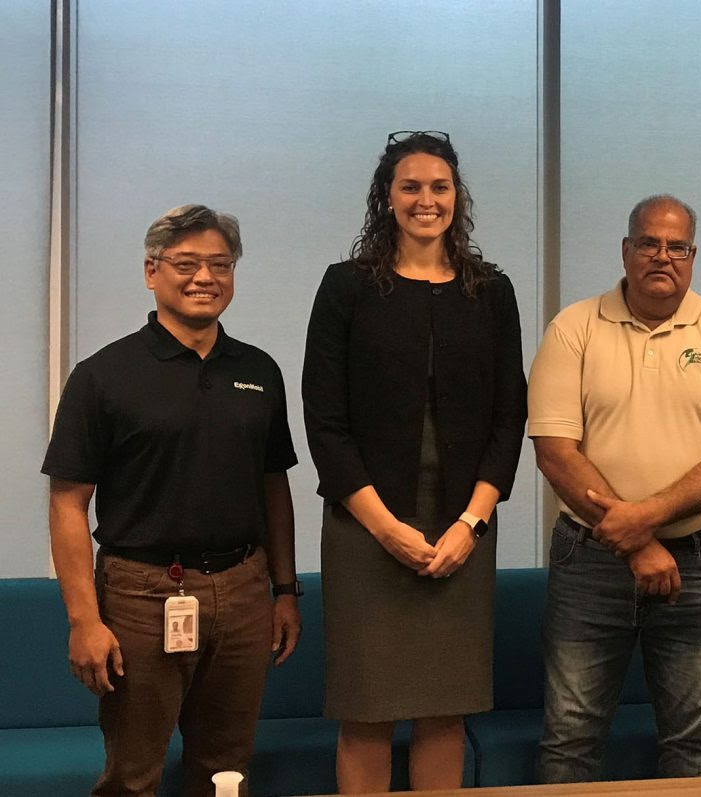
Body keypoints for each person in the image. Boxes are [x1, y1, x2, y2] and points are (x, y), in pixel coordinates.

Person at [42, 204, 302, 797]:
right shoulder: (103, 375)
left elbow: (274, 488)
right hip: (139, 594)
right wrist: (84, 619)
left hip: (242, 591)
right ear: (151, 271)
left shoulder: (259, 371)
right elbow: (67, 504)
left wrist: (283, 592)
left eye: (220, 264)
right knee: (133, 775)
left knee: (226, 772)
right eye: (186, 263)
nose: (204, 277)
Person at [302, 131, 527, 793]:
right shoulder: (346, 288)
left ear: (457, 196)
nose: (425, 199)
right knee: (366, 712)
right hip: (365, 528)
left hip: (461, 528)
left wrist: (472, 525)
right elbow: (325, 421)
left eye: (439, 186)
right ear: (387, 197)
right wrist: (384, 526)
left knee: (443, 709)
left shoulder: (491, 292)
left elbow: (507, 416)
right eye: (410, 186)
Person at [528, 194, 701, 782]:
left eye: (677, 246)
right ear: (626, 250)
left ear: (693, 255)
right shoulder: (573, 328)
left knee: (694, 743)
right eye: (649, 243)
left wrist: (647, 518)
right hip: (591, 561)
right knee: (570, 737)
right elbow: (555, 452)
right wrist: (636, 542)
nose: (663, 256)